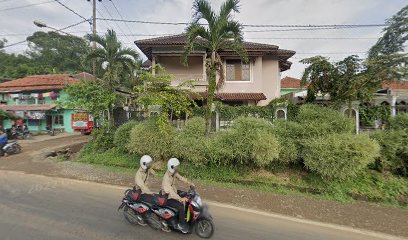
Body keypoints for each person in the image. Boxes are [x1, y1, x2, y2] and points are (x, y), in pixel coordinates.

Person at [161, 158, 195, 233]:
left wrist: (189, 183)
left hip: (174, 191)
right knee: (180, 207)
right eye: (176, 167)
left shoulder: (173, 172)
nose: (177, 168)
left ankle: (185, 215)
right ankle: (181, 225)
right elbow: (170, 192)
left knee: (186, 194)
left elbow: (181, 178)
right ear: (172, 167)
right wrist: (180, 198)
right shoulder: (166, 179)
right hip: (168, 197)